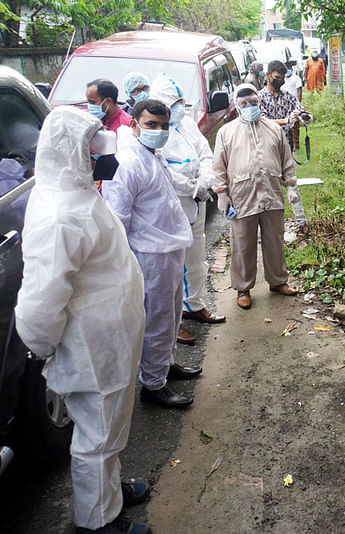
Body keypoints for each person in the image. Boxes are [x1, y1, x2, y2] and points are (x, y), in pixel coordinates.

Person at [14, 106, 151, 534]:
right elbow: (40, 300)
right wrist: (42, 345)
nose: (99, 155)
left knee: (109, 426)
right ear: (69, 152)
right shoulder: (60, 214)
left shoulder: (75, 193)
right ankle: (97, 520)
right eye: (90, 149)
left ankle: (107, 492)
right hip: (92, 346)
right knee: (96, 435)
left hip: (109, 337)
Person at [104, 99, 201, 408]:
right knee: (157, 319)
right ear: (134, 125)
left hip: (168, 248)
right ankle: (153, 385)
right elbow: (118, 219)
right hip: (149, 254)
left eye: (163, 126)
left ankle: (164, 365)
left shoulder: (151, 155)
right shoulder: (128, 162)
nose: (159, 131)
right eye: (151, 125)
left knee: (171, 315)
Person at [149, 73, 225, 346]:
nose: (181, 107)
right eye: (176, 102)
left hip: (198, 201)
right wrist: (189, 185)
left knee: (196, 258)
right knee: (171, 268)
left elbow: (206, 154)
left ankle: (194, 305)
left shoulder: (188, 124)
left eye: (182, 102)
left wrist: (204, 181)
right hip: (174, 206)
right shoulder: (156, 132)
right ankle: (174, 321)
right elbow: (163, 169)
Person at [212, 83, 298, 309]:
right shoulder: (226, 132)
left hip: (271, 194)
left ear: (259, 102)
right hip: (242, 197)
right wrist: (222, 194)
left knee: (275, 242)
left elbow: (286, 160)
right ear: (237, 106)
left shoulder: (273, 128)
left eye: (253, 102)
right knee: (242, 244)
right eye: (244, 104)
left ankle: (278, 281)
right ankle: (243, 288)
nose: (249, 107)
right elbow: (219, 167)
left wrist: (290, 186)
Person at [258, 60, 312, 229]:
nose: (280, 81)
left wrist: (304, 117)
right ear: (268, 76)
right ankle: (270, 226)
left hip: (285, 146)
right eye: (277, 77)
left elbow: (300, 108)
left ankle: (301, 222)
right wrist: (286, 120)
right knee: (269, 186)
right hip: (266, 148)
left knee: (292, 183)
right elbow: (263, 121)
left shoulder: (287, 96)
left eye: (282, 78)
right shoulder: (259, 97)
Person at [281, 61, 304, 151]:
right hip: (283, 105)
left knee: (295, 125)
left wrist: (298, 103)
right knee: (286, 124)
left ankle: (296, 144)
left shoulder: (296, 78)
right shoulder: (282, 79)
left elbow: (299, 91)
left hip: (293, 104)